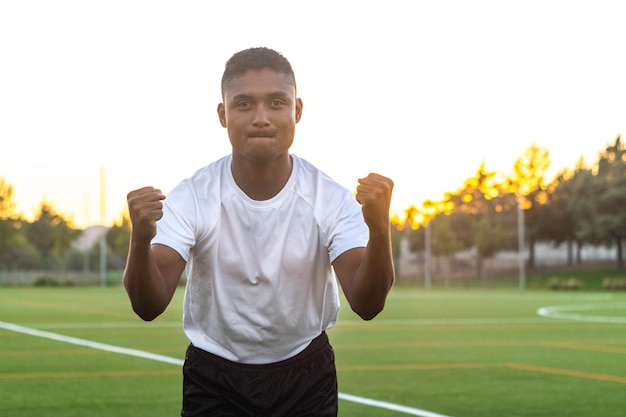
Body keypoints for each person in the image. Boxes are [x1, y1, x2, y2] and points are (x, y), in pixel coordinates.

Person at [123, 46, 395, 417]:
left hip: (305, 375)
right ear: (223, 114)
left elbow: (367, 305)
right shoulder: (194, 195)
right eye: (245, 104)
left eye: (277, 103)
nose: (262, 118)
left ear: (297, 110)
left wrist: (380, 230)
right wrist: (139, 240)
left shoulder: (329, 198)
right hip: (214, 377)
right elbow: (148, 305)